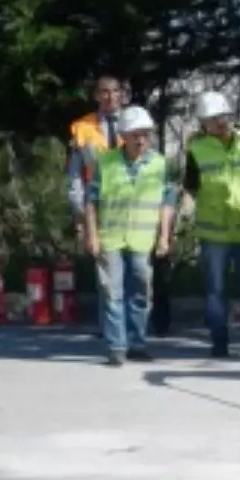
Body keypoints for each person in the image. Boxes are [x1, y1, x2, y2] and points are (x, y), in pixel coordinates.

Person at [83, 106, 176, 366]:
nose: (141, 140)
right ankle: (117, 347)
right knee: (112, 293)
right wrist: (91, 234)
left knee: (141, 294)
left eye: (145, 134)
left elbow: (167, 202)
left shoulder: (158, 164)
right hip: (111, 237)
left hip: (142, 239)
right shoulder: (106, 161)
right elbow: (91, 200)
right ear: (124, 135)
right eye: (135, 135)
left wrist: (164, 237)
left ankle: (137, 343)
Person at [183, 90, 240, 357]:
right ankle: (219, 341)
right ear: (203, 123)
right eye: (213, 119)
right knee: (215, 291)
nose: (220, 122)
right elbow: (190, 186)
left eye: (223, 116)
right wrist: (186, 208)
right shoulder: (197, 150)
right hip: (214, 232)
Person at [66, 75, 123, 339]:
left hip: (129, 207)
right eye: (104, 92)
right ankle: (109, 328)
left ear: (121, 94)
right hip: (96, 207)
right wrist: (78, 210)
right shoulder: (83, 128)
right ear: (96, 96)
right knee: (105, 269)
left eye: (114, 91)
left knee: (133, 269)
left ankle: (129, 328)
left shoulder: (134, 124)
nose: (110, 97)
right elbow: (75, 175)